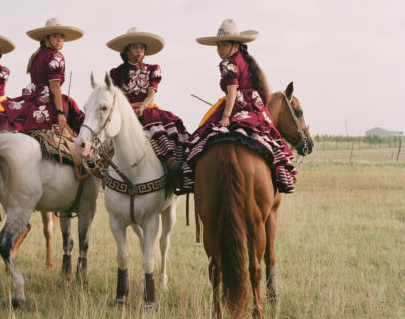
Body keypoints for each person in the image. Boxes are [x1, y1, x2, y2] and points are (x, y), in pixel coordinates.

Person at [183, 19, 296, 193]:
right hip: (256, 107)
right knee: (267, 136)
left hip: (238, 105)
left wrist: (226, 116)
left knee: (201, 137)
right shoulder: (245, 58)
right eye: (218, 45)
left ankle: (189, 179)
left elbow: (233, 91)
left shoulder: (228, 63)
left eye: (224, 44)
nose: (220, 49)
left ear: (235, 44)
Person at [106, 27, 189, 192]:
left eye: (142, 48)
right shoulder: (116, 73)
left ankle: (172, 173)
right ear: (127, 50)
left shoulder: (153, 69)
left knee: (160, 139)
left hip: (147, 111)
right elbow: (114, 98)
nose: (139, 51)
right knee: (106, 145)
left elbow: (151, 94)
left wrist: (143, 107)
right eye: (135, 47)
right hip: (125, 115)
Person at [2, 18, 85, 134]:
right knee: (75, 114)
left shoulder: (37, 55)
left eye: (61, 36)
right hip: (48, 97)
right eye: (55, 36)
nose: (59, 40)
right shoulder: (56, 56)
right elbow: (55, 87)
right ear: (47, 38)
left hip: (33, 96)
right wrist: (60, 114)